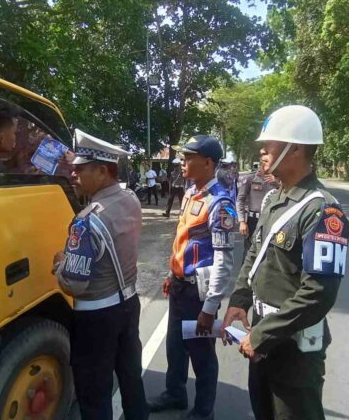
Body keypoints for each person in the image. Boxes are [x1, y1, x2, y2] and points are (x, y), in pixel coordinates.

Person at [222, 105, 349, 420]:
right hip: (264, 341)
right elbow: (255, 252)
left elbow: (319, 293)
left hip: (293, 349)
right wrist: (240, 298)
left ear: (295, 149)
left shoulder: (322, 211)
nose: (262, 150)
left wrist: (264, 334)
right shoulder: (274, 199)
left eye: (271, 143)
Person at [52, 129, 148, 420]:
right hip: (128, 305)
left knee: (94, 393)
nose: (73, 175)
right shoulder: (130, 198)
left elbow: (74, 284)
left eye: (80, 170)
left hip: (96, 317)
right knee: (130, 375)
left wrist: (60, 263)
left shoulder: (86, 222)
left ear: (103, 171)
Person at [147, 135, 237, 420]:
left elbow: (224, 261)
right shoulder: (190, 193)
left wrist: (210, 308)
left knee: (201, 355)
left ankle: (203, 410)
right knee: (175, 347)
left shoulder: (220, 203)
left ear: (208, 163)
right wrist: (171, 273)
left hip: (199, 295)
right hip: (179, 286)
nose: (182, 162)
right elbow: (183, 240)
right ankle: (175, 393)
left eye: (188, 158)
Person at [237, 166, 279, 253]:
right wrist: (242, 222)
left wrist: (278, 182)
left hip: (271, 220)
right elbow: (240, 200)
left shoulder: (278, 178)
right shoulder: (251, 178)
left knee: (269, 251)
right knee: (250, 252)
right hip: (254, 221)